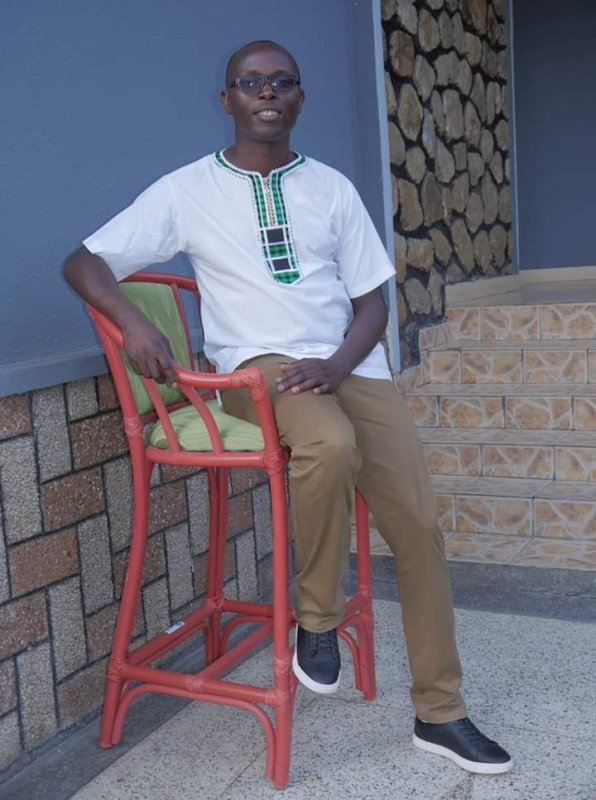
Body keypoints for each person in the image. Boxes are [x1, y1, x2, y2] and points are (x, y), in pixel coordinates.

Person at [64, 39, 512, 775]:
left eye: (281, 82)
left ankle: (441, 712)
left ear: (300, 97)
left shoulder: (331, 188)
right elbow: (83, 262)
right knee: (329, 444)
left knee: (419, 524)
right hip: (259, 367)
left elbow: (372, 303)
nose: (266, 92)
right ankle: (317, 618)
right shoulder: (186, 190)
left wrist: (337, 365)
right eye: (250, 82)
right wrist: (135, 321)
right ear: (228, 100)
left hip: (348, 364)